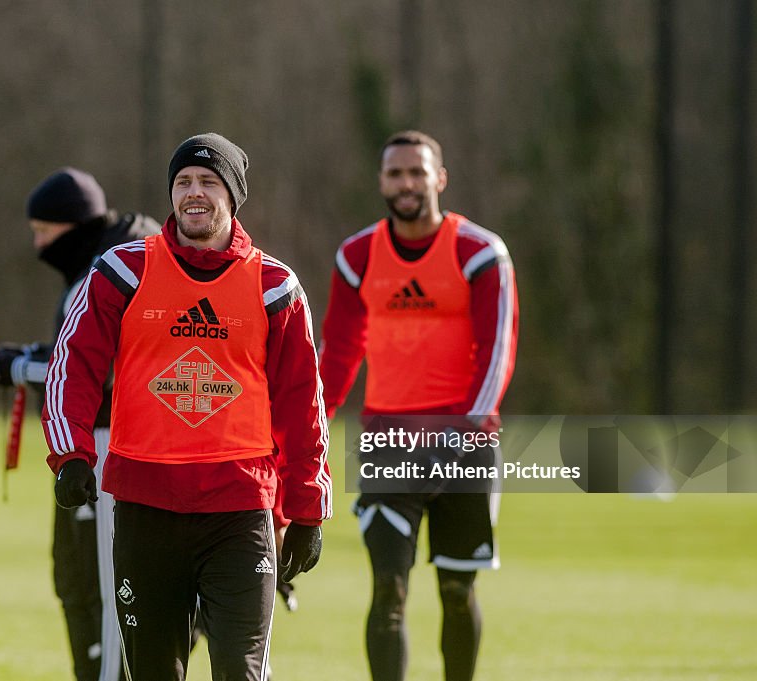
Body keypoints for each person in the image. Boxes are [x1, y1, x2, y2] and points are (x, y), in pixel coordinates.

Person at [43, 133, 332, 681]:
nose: (192, 193)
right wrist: (71, 453)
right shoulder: (121, 272)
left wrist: (308, 508)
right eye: (182, 182)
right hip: (144, 508)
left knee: (239, 671)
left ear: (233, 196)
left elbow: (303, 406)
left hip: (241, 508)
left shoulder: (276, 288)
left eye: (208, 182)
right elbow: (72, 363)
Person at [318, 130, 518, 681]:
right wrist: (309, 430)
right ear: (381, 181)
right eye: (395, 174)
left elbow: (496, 353)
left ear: (440, 178)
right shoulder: (357, 256)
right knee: (388, 588)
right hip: (389, 442)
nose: (406, 184)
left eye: (417, 172)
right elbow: (338, 355)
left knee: (457, 590)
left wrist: (469, 429)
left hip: (466, 445)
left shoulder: (479, 253)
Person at [0, 167, 160, 681]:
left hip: (110, 446)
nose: (37, 244)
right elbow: (76, 354)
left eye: (44, 231)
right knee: (78, 581)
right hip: (91, 445)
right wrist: (34, 356)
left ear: (74, 225)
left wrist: (19, 368)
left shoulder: (117, 268)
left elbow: (102, 373)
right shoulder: (104, 261)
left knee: (99, 591)